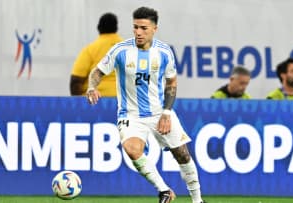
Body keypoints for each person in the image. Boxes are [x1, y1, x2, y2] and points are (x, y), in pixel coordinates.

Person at [86, 7, 205, 203]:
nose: (138, 32)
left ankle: (197, 200)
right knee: (132, 149)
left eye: (143, 28)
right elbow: (97, 72)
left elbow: (172, 83)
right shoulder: (121, 50)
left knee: (182, 154)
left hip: (159, 112)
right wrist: (92, 87)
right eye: (135, 27)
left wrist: (166, 112)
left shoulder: (164, 52)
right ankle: (164, 190)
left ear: (154, 29)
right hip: (130, 114)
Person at [69, 13, 123, 96]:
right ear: (116, 28)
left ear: (98, 28)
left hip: (95, 102)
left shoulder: (90, 50)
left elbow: (76, 81)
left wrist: (79, 105)